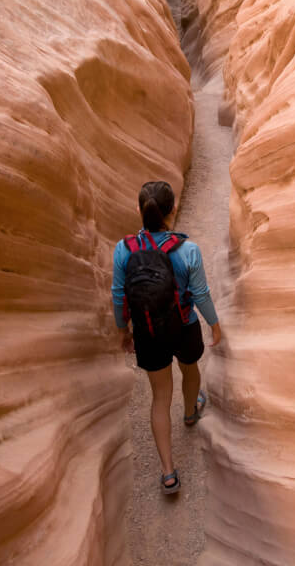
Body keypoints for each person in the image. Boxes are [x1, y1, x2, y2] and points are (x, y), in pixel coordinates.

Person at [111, 180, 222, 494]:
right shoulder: (188, 250)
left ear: (139, 210)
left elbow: (119, 295)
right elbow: (200, 293)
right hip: (184, 326)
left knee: (160, 397)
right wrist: (214, 324)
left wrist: (123, 330)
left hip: (148, 331)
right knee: (190, 370)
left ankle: (168, 473)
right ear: (171, 211)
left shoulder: (125, 249)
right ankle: (190, 412)